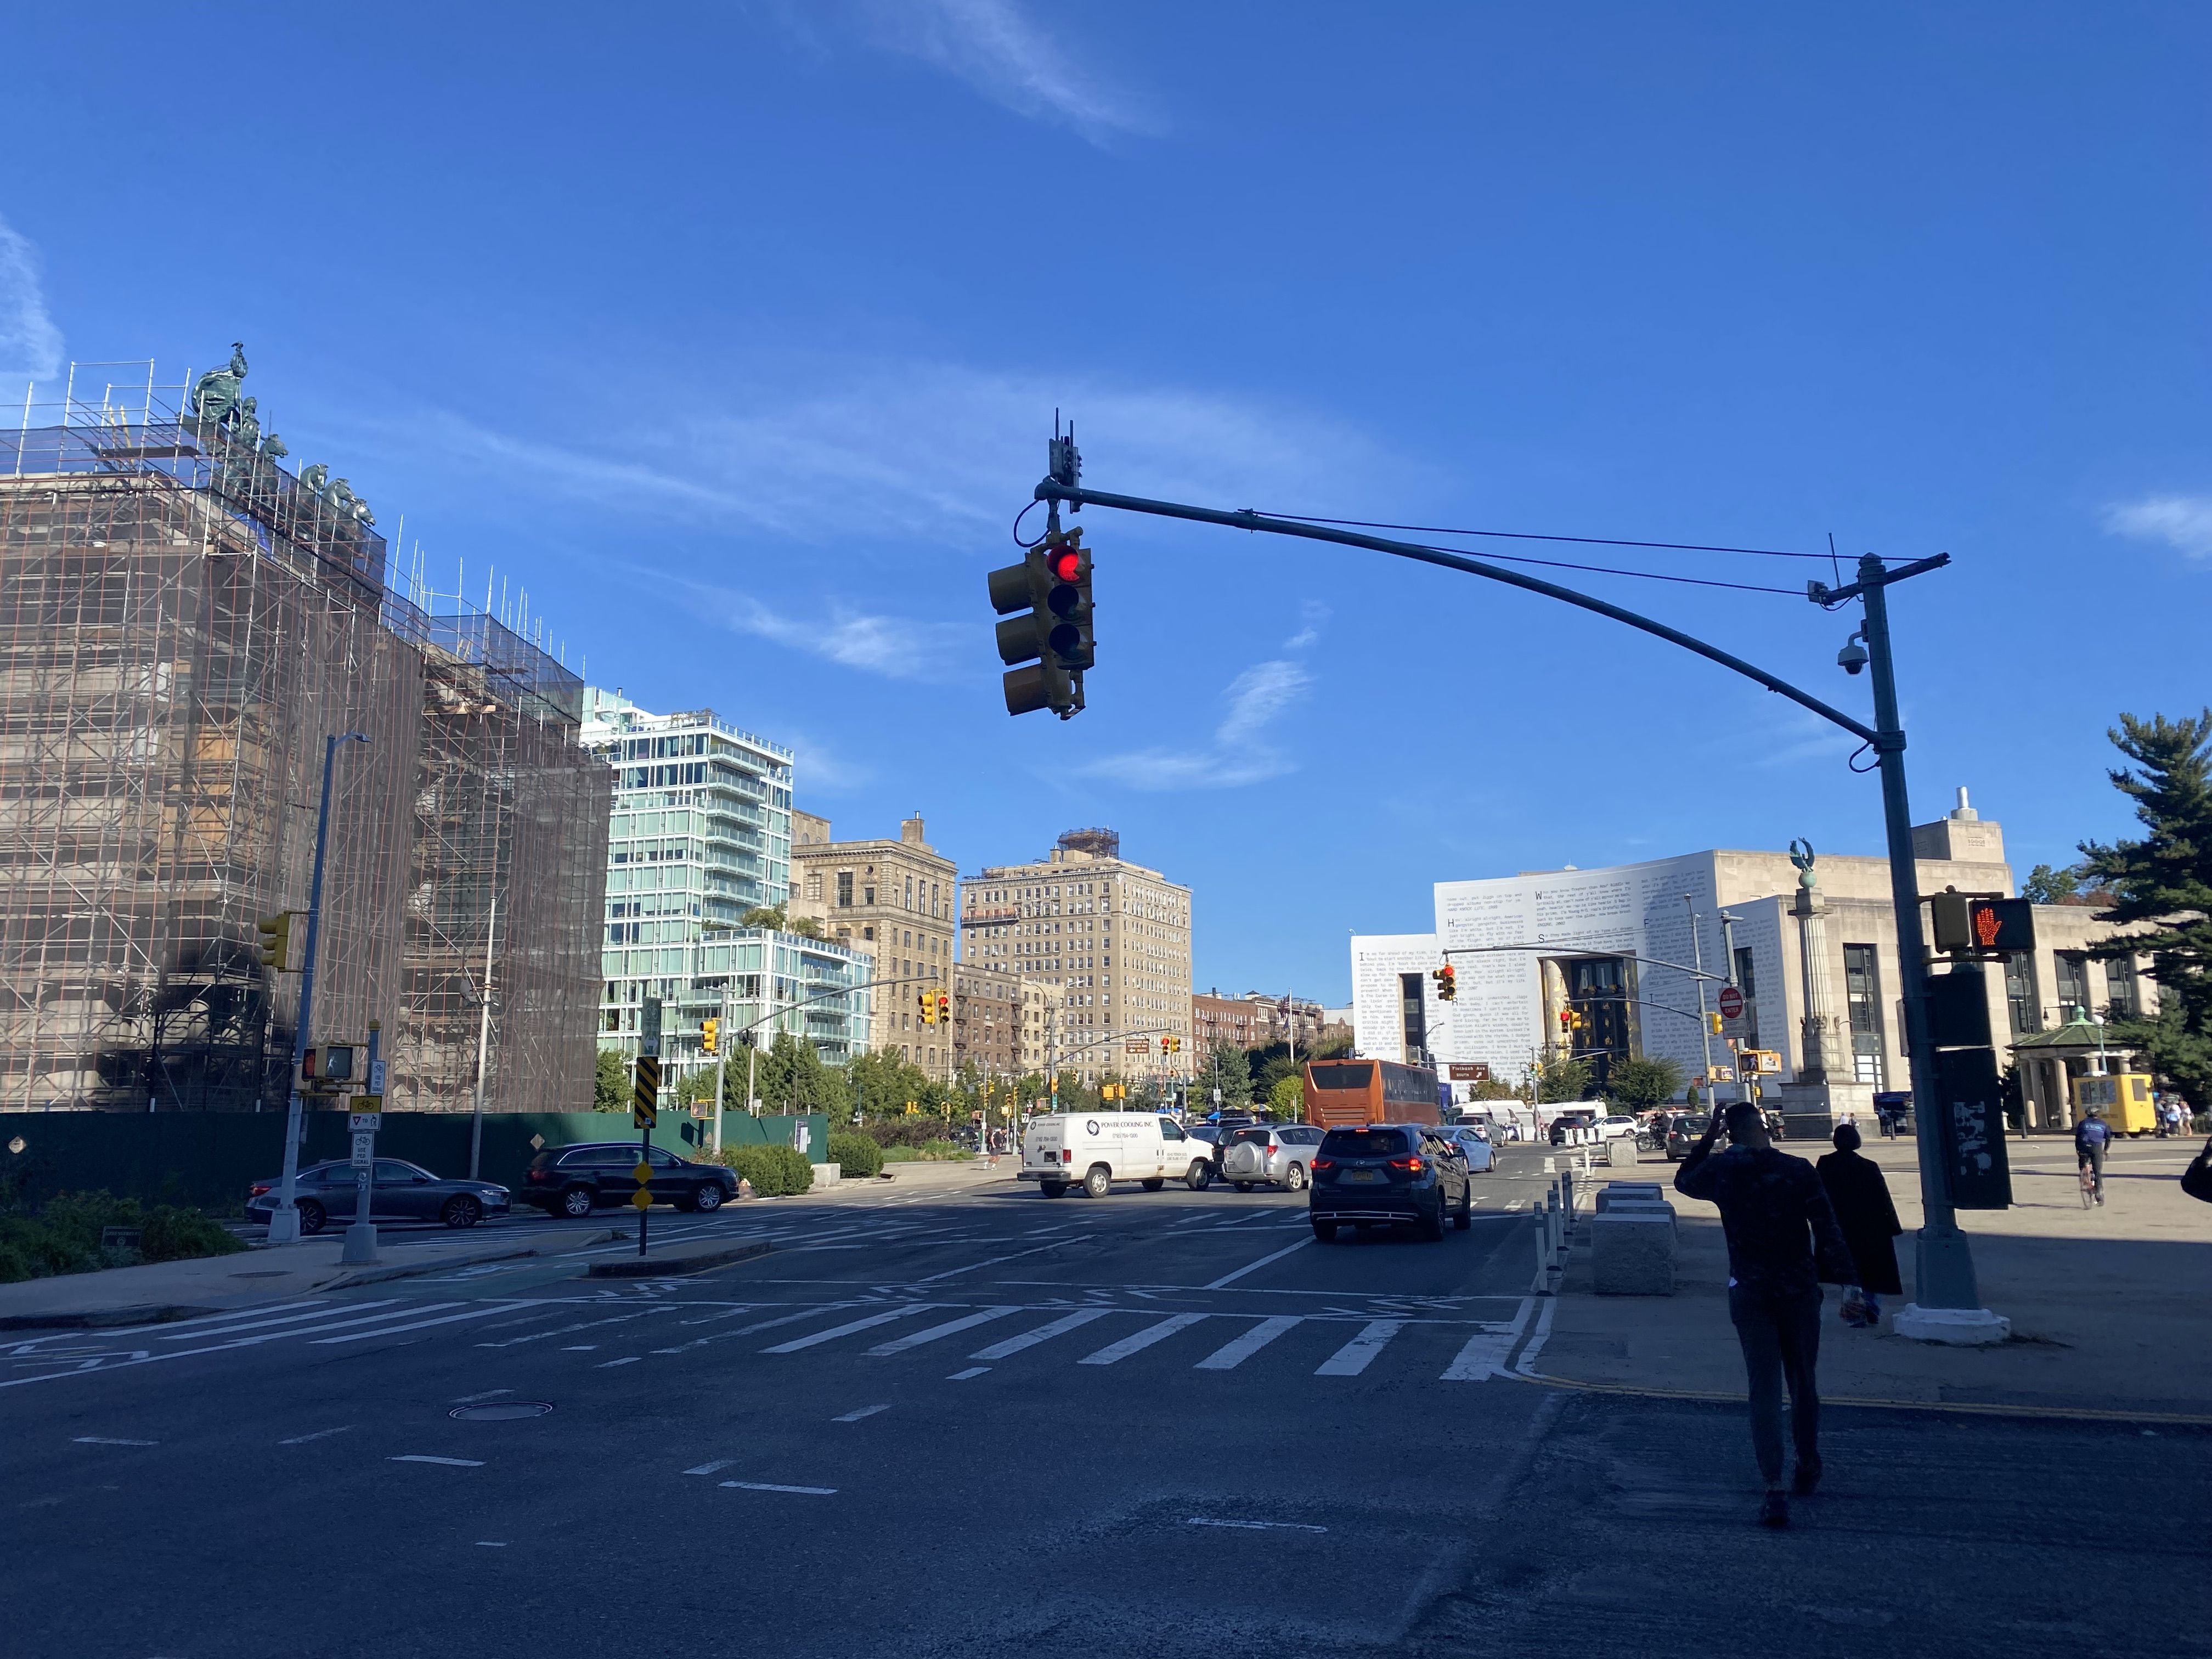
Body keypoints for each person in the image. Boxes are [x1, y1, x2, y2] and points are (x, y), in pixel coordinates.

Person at [1675, 1100, 1858, 1530]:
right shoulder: (1797, 1169)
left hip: (1750, 1289)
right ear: (1764, 1128)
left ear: (1731, 1133)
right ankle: (1808, 1461)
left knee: (1763, 1388)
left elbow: (1683, 1179)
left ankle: (1773, 1486)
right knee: (1803, 1381)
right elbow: (1827, 1228)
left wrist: (1708, 1137)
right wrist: (1850, 1281)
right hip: (1797, 1288)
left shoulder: (1724, 1171)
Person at [1816, 1122, 1903, 1325]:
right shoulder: (1868, 1166)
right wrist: (1892, 1226)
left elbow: (1819, 1194)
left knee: (1849, 1273)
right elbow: (1883, 1198)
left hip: (1839, 1225)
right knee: (1872, 1270)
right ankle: (1871, 1306)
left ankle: (1855, 1313)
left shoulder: (1826, 1164)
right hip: (1870, 1225)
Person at [2075, 1104, 2112, 1205]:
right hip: (2096, 1148)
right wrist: (2105, 1150)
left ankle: (2084, 1175)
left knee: (2082, 1163)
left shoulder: (2083, 1123)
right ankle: (2098, 1194)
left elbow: (2078, 1137)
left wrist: (2078, 1150)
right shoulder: (2103, 1124)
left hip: (2083, 1146)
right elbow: (2108, 1138)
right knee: (2098, 1172)